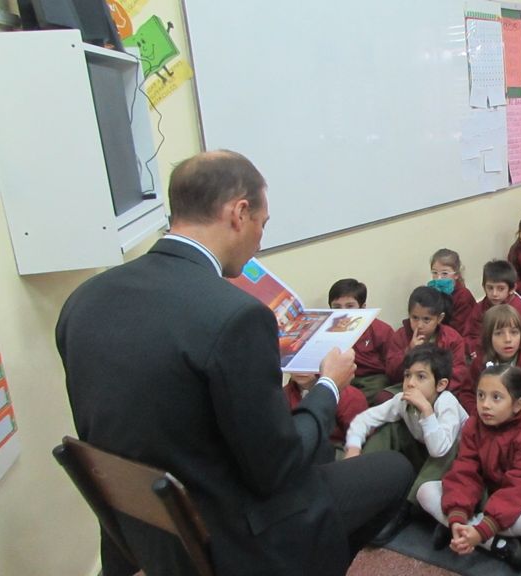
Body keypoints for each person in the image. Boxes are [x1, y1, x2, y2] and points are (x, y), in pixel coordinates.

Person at [55, 150, 414, 576]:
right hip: (232, 533)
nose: (260, 239)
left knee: (319, 455)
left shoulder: (84, 300)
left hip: (148, 523)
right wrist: (328, 387)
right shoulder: (235, 315)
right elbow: (277, 468)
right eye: (263, 223)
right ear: (239, 213)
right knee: (393, 469)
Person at [417, 365, 521, 570]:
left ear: (518, 404)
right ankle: (492, 542)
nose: (485, 405)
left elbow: (520, 488)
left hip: (517, 500)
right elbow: (465, 471)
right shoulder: (474, 424)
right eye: (481, 395)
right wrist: (458, 514)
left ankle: (466, 531)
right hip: (484, 492)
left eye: (496, 397)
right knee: (425, 492)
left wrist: (484, 528)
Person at [345, 344, 469, 544]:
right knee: (390, 429)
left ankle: (406, 508)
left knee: (447, 446)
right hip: (424, 452)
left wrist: (427, 411)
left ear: (441, 385)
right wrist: (353, 447)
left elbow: (440, 450)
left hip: (453, 464)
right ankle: (363, 482)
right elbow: (366, 419)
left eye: (421, 377)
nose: (410, 383)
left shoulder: (447, 403)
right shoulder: (401, 400)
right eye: (407, 375)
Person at [384, 286, 470, 407]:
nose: (419, 325)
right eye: (415, 318)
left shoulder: (452, 339)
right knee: (383, 397)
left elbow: (458, 374)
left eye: (426, 319)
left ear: (439, 318)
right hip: (408, 386)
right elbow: (391, 373)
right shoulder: (401, 336)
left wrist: (432, 390)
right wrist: (409, 350)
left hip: (439, 390)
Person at [468, 304, 521, 418]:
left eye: (514, 332)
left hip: (520, 421)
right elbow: (467, 393)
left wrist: (500, 416)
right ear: (488, 337)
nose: (508, 339)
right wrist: (480, 414)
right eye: (499, 333)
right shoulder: (480, 363)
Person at [328, 278, 395, 405]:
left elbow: (393, 365)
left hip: (371, 379)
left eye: (350, 306)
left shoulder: (380, 330)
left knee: (374, 391)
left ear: (362, 308)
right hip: (339, 377)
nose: (343, 312)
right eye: (337, 307)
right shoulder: (326, 332)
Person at [463, 259, 521, 357]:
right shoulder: (480, 308)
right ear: (483, 287)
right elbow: (470, 335)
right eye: (490, 288)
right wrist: (475, 349)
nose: (494, 293)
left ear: (512, 289)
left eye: (501, 288)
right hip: (483, 353)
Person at [282, 372, 368, 453]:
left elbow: (360, 438)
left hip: (337, 451)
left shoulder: (350, 396)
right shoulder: (283, 394)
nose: (301, 370)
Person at [429, 248, 475, 336]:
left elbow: (459, 330)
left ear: (456, 275)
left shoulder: (463, 296)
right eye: (434, 273)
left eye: (444, 273)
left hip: (456, 336)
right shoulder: (432, 290)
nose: (438, 278)